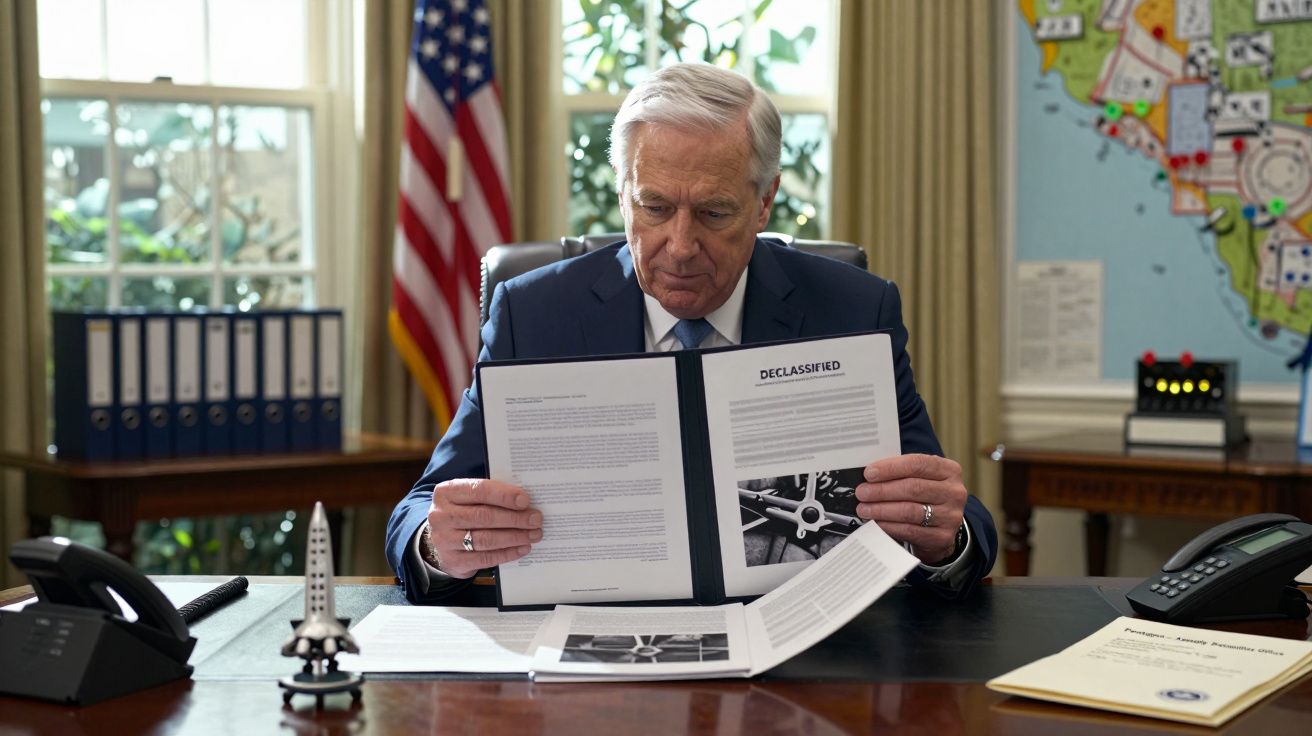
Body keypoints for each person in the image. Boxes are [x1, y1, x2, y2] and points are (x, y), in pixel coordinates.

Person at [386, 62, 998, 604]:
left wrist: (946, 536)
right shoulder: (535, 312)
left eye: (714, 212)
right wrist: (442, 546)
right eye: (654, 208)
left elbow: (948, 516)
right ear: (623, 196)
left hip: (809, 647)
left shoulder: (853, 309)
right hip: (590, 653)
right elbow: (421, 510)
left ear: (764, 203)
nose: (680, 247)